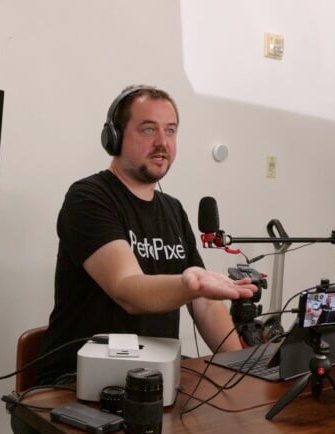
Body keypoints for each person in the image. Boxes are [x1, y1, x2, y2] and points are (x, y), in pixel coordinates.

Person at [34, 85, 256, 386]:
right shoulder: (88, 198)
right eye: (149, 129)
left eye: (170, 130)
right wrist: (189, 284)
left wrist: (242, 370)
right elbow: (128, 289)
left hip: (154, 377)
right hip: (78, 380)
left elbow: (204, 303)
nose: (162, 142)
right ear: (114, 137)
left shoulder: (173, 209)